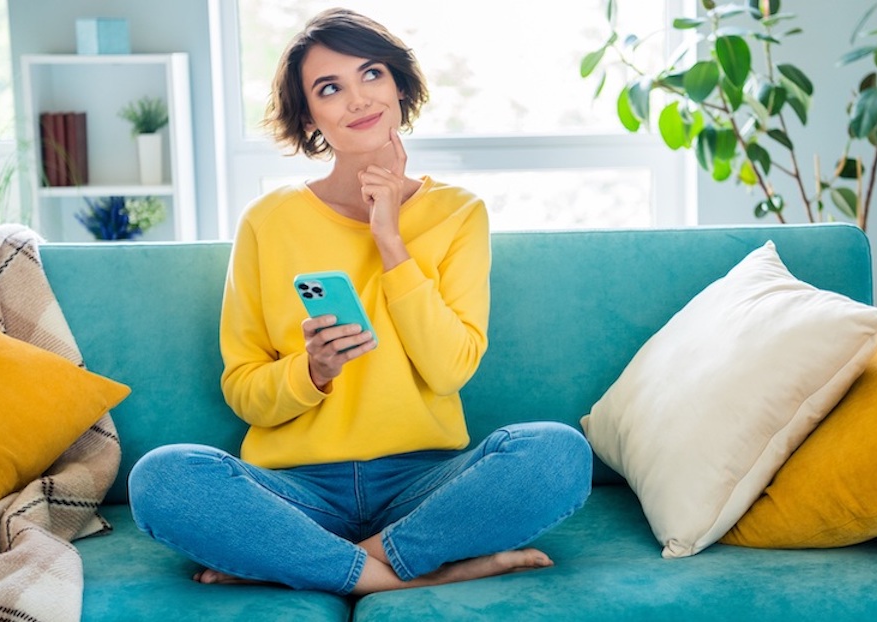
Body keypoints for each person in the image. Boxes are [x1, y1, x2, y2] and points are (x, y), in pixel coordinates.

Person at [128, 8, 592, 596]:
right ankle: (413, 573)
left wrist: (390, 240)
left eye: (371, 74)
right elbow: (245, 392)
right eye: (330, 88)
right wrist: (312, 372)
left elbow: (451, 369)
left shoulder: (458, 213)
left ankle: (329, 565)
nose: (357, 99)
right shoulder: (268, 222)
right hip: (295, 491)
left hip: (423, 486)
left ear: (399, 84)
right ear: (310, 116)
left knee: (557, 453)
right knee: (163, 476)